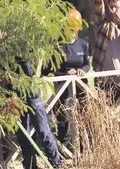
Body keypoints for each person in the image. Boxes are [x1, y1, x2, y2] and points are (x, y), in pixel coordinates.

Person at [50, 9, 91, 151]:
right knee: (63, 121)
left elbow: (87, 64)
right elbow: (53, 69)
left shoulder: (83, 44)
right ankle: (66, 152)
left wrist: (82, 71)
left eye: (74, 28)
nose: (72, 31)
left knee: (83, 118)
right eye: (69, 28)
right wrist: (66, 72)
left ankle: (84, 149)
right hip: (63, 88)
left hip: (81, 87)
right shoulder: (59, 46)